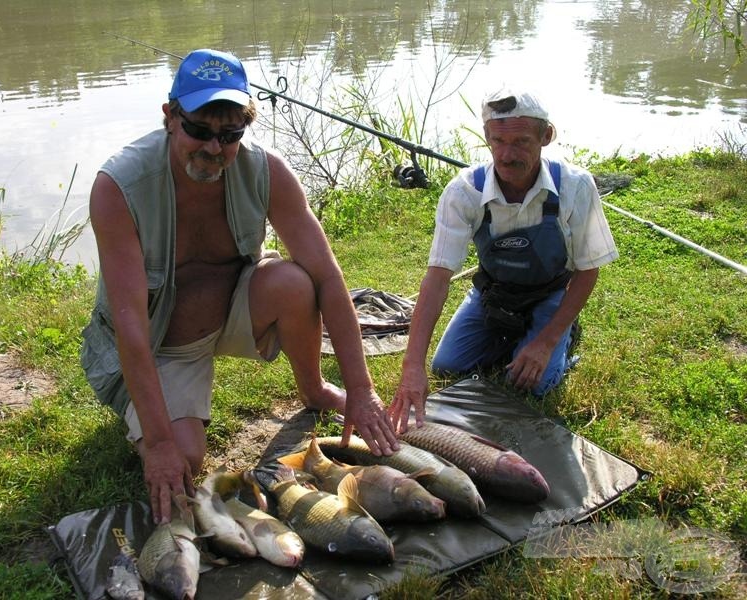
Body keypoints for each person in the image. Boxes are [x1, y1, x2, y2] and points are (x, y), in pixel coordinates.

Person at [80, 49, 398, 524]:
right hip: (158, 343)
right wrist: (161, 445)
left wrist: (361, 388)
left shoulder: (266, 170)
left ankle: (313, 389)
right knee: (184, 459)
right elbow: (130, 326)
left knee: (295, 281)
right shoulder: (118, 186)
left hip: (227, 312)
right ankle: (149, 421)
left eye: (230, 135)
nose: (214, 148)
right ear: (170, 117)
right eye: (200, 131)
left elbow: (329, 278)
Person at [389, 88, 618, 433]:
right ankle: (515, 336)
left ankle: (559, 336)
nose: (507, 156)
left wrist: (545, 342)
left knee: (537, 384)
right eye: (498, 142)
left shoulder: (575, 186)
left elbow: (588, 270)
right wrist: (412, 366)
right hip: (493, 292)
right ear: (487, 139)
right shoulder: (464, 191)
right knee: (447, 365)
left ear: (546, 137)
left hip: (551, 293)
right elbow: (437, 277)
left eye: (522, 142)